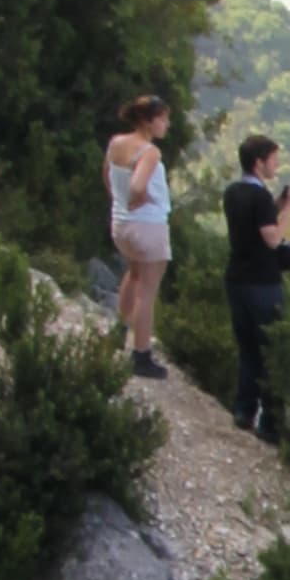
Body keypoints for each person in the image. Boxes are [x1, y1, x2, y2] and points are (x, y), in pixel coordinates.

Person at [221, 130, 290, 436]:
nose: (276, 165)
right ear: (259, 163)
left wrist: (277, 204)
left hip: (236, 279)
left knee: (248, 349)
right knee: (272, 350)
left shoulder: (234, 193)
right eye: (273, 159)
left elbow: (255, 221)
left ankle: (244, 410)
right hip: (262, 283)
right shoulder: (258, 198)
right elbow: (271, 238)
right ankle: (270, 423)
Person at [105, 89, 174, 378]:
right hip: (148, 225)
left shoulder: (116, 143)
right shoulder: (149, 151)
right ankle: (141, 354)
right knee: (148, 290)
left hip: (121, 223)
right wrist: (138, 196)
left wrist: (121, 201)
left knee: (132, 275)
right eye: (163, 119)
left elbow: (108, 177)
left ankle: (117, 331)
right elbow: (136, 186)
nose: (166, 125)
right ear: (149, 121)